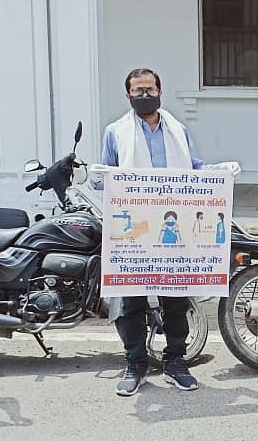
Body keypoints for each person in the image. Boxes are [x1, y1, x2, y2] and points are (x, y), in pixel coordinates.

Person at [97, 68, 240, 396]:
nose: (144, 95)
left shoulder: (178, 130)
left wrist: (220, 171)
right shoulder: (116, 132)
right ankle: (135, 363)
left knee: (175, 299)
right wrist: (97, 175)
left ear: (160, 92)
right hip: (135, 232)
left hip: (174, 232)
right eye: (137, 90)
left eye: (149, 89)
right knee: (130, 301)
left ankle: (176, 361)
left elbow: (195, 168)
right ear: (128, 95)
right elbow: (104, 179)